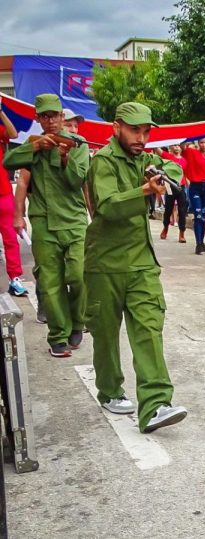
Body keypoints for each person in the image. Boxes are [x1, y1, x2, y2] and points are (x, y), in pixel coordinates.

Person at [85, 102, 187, 433]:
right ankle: (110, 389)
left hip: (142, 261)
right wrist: (143, 190)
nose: (141, 137)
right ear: (117, 127)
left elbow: (172, 170)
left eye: (146, 131)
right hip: (106, 262)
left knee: (148, 328)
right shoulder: (103, 161)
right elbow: (108, 206)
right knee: (105, 333)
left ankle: (156, 404)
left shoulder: (145, 159)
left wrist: (162, 175)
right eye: (134, 130)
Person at [4, 94, 89, 358]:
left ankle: (77, 322)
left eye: (55, 115)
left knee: (79, 276)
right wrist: (36, 148)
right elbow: (8, 162)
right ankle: (58, 335)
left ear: (63, 117)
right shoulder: (34, 144)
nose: (51, 120)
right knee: (51, 284)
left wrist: (65, 158)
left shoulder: (79, 143)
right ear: (38, 118)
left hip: (74, 221)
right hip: (44, 223)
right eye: (45, 116)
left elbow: (78, 180)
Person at [0, 95, 27, 297]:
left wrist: (1, 112)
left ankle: (15, 279)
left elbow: (13, 132)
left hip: (3, 194)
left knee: (10, 238)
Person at [159, 144, 188, 244]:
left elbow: (186, 174)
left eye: (178, 146)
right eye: (174, 145)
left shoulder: (185, 160)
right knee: (168, 209)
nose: (176, 147)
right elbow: (159, 151)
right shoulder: (169, 157)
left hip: (181, 187)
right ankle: (165, 227)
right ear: (171, 147)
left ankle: (182, 233)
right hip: (170, 186)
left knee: (182, 211)